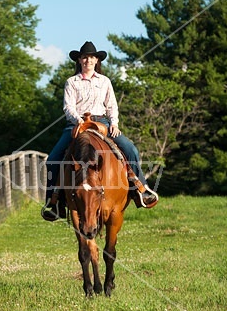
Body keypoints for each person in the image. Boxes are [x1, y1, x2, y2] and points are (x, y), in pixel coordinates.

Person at [41, 41, 158, 221]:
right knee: (53, 159)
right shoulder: (71, 82)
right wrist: (79, 121)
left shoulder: (104, 81)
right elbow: (68, 107)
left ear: (97, 61)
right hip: (76, 123)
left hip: (102, 122)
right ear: (79, 60)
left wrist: (114, 123)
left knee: (131, 149)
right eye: (85, 57)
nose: (88, 60)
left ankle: (141, 189)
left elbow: (112, 105)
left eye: (92, 57)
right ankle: (54, 201)